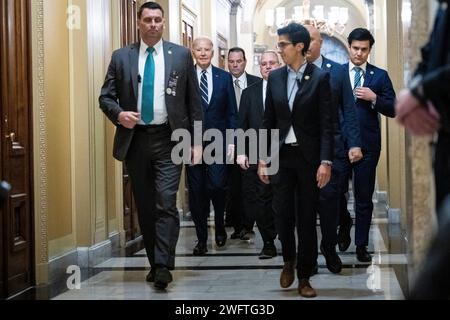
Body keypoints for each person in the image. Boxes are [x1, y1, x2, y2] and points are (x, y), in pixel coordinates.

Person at [99, 2, 203, 290]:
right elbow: (105, 97)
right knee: (145, 205)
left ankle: (162, 265)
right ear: (139, 23)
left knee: (166, 201)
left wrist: (195, 141)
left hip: (170, 138)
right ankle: (155, 259)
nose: (154, 24)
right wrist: (119, 114)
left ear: (164, 22)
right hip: (136, 140)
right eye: (148, 19)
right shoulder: (121, 57)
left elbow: (194, 102)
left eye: (158, 19)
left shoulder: (181, 55)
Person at [259, 23, 334, 298]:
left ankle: (304, 276)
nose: (279, 50)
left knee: (305, 218)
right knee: (282, 215)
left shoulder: (320, 78)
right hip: (280, 156)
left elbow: (327, 124)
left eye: (283, 45)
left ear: (299, 47)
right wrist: (262, 159)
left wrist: (326, 161)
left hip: (308, 159)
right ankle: (287, 261)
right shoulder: (275, 78)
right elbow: (267, 122)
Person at [304, 25, 363, 274]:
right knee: (305, 206)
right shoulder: (293, 72)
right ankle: (307, 257)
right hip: (303, 152)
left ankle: (329, 248)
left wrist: (354, 143)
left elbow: (348, 111)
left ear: (320, 42)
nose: (305, 44)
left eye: (311, 39)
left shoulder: (337, 72)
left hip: (334, 150)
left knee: (329, 202)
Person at [340, 28, 396, 262]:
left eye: (364, 49)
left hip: (368, 147)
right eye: (355, 48)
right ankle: (343, 228)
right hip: (339, 146)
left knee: (364, 199)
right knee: (335, 196)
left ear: (369, 50)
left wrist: (375, 99)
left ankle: (361, 244)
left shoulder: (379, 76)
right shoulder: (337, 73)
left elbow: (393, 109)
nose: (359, 53)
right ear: (349, 47)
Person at [396, 0, 450, 219]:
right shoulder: (443, 10)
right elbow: (427, 56)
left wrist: (420, 92)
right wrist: (415, 92)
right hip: (445, 136)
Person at [187, 36, 238, 256]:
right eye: (199, 49)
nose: (203, 53)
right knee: (197, 192)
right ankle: (201, 239)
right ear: (193, 52)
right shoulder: (185, 77)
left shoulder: (224, 77)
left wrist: (232, 142)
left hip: (219, 140)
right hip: (191, 142)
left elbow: (232, 113)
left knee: (217, 186)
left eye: (207, 49)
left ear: (213, 52)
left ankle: (219, 223)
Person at [236, 50, 282, 259]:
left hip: (284, 153)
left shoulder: (289, 89)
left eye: (272, 63)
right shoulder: (249, 93)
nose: (268, 66)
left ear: (279, 65)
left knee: (282, 199)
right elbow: (242, 125)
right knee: (261, 200)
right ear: (259, 66)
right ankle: (268, 242)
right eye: (264, 64)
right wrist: (241, 152)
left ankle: (286, 236)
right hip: (256, 152)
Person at [226, 47, 261, 241]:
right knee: (234, 185)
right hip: (229, 140)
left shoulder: (256, 82)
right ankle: (238, 225)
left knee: (253, 185)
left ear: (245, 62)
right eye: (231, 61)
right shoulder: (223, 83)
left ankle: (249, 224)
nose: (235, 65)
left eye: (238, 61)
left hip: (254, 139)